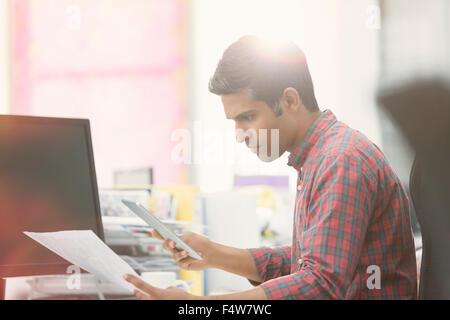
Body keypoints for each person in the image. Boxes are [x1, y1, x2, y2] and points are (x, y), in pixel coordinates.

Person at [124, 35, 417, 300]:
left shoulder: (341, 160)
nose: (239, 135)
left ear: (290, 99)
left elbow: (321, 285)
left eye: (248, 117)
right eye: (234, 122)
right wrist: (213, 254)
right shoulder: (320, 156)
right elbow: (309, 262)